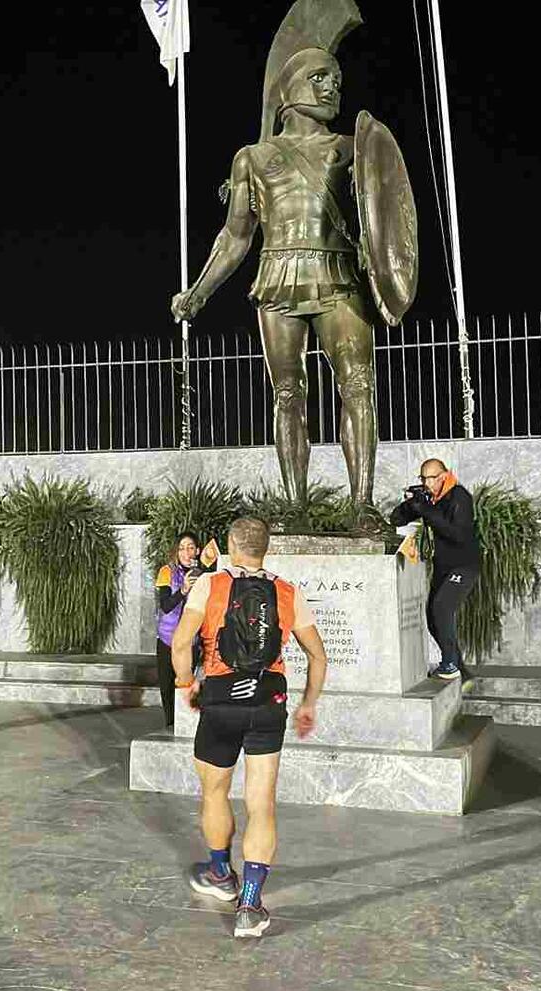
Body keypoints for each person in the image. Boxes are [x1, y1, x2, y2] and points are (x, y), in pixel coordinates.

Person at [170, 0, 417, 537]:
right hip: (277, 276)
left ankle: (361, 505)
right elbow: (236, 235)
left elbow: (386, 210)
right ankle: (295, 504)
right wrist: (199, 292)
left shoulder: (351, 149)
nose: (332, 89)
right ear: (291, 89)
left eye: (337, 81)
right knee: (287, 393)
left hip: (339, 275)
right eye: (321, 78)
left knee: (358, 385)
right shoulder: (252, 158)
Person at [171, 517, 328, 939]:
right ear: (265, 548)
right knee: (261, 803)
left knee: (215, 791)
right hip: (268, 703)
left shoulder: (210, 585)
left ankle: (221, 874)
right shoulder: (287, 591)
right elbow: (318, 656)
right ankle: (250, 904)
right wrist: (308, 704)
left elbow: (181, 642)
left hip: (221, 703)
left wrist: (186, 685)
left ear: (230, 545)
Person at [390, 459, 480, 681]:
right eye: (423, 479)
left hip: (464, 566)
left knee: (442, 608)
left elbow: (457, 534)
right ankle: (459, 668)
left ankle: (450, 663)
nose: (426, 483)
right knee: (432, 617)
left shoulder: (459, 497)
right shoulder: (430, 498)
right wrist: (411, 504)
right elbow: (396, 519)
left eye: (430, 478)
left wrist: (426, 510)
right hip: (442, 567)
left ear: (443, 476)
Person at [155, 532, 203, 729]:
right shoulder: (167, 571)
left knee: (187, 685)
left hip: (191, 641)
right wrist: (183, 590)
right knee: (167, 687)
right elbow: (166, 606)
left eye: (190, 548)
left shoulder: (203, 575)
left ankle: (188, 727)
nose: (186, 552)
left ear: (198, 551)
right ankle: (170, 725)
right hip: (167, 639)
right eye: (182, 548)